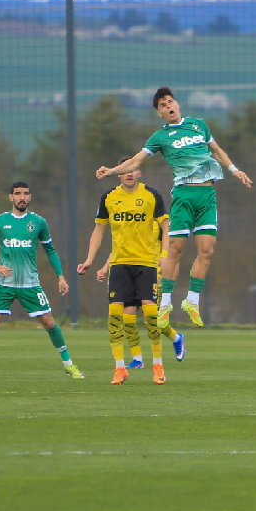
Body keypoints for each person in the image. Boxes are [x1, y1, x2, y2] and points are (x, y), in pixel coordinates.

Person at [96, 86, 252, 329]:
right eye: (162, 105)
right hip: (183, 195)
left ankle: (192, 301)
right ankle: (165, 304)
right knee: (176, 250)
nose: (168, 106)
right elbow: (136, 161)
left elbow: (216, 150)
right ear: (159, 113)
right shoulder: (160, 137)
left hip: (207, 195)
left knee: (207, 251)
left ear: (177, 104)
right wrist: (111, 171)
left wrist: (234, 170)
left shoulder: (198, 125)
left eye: (170, 101)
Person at [0, 181, 84, 379]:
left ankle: (69, 365)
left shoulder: (39, 222)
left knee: (49, 323)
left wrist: (60, 277)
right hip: (4, 284)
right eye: (18, 193)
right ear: (11, 197)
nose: (22, 197)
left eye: (25, 193)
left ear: (30, 197)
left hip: (30, 284)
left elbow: (50, 250)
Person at [77, 159, 170, 386]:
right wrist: (89, 259)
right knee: (114, 315)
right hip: (120, 264)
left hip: (146, 262)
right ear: (118, 174)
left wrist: (164, 255)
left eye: (133, 169)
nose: (129, 174)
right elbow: (99, 229)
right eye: (125, 170)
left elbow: (166, 227)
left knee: (150, 313)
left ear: (139, 173)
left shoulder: (152, 195)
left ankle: (158, 365)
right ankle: (120, 368)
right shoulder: (109, 197)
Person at [97, 218, 186, 368]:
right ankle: (137, 359)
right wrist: (105, 267)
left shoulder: (159, 223)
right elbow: (119, 248)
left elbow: (172, 251)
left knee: (151, 320)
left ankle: (176, 338)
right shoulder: (131, 218)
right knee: (128, 318)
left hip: (151, 274)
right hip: (130, 273)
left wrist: (165, 274)